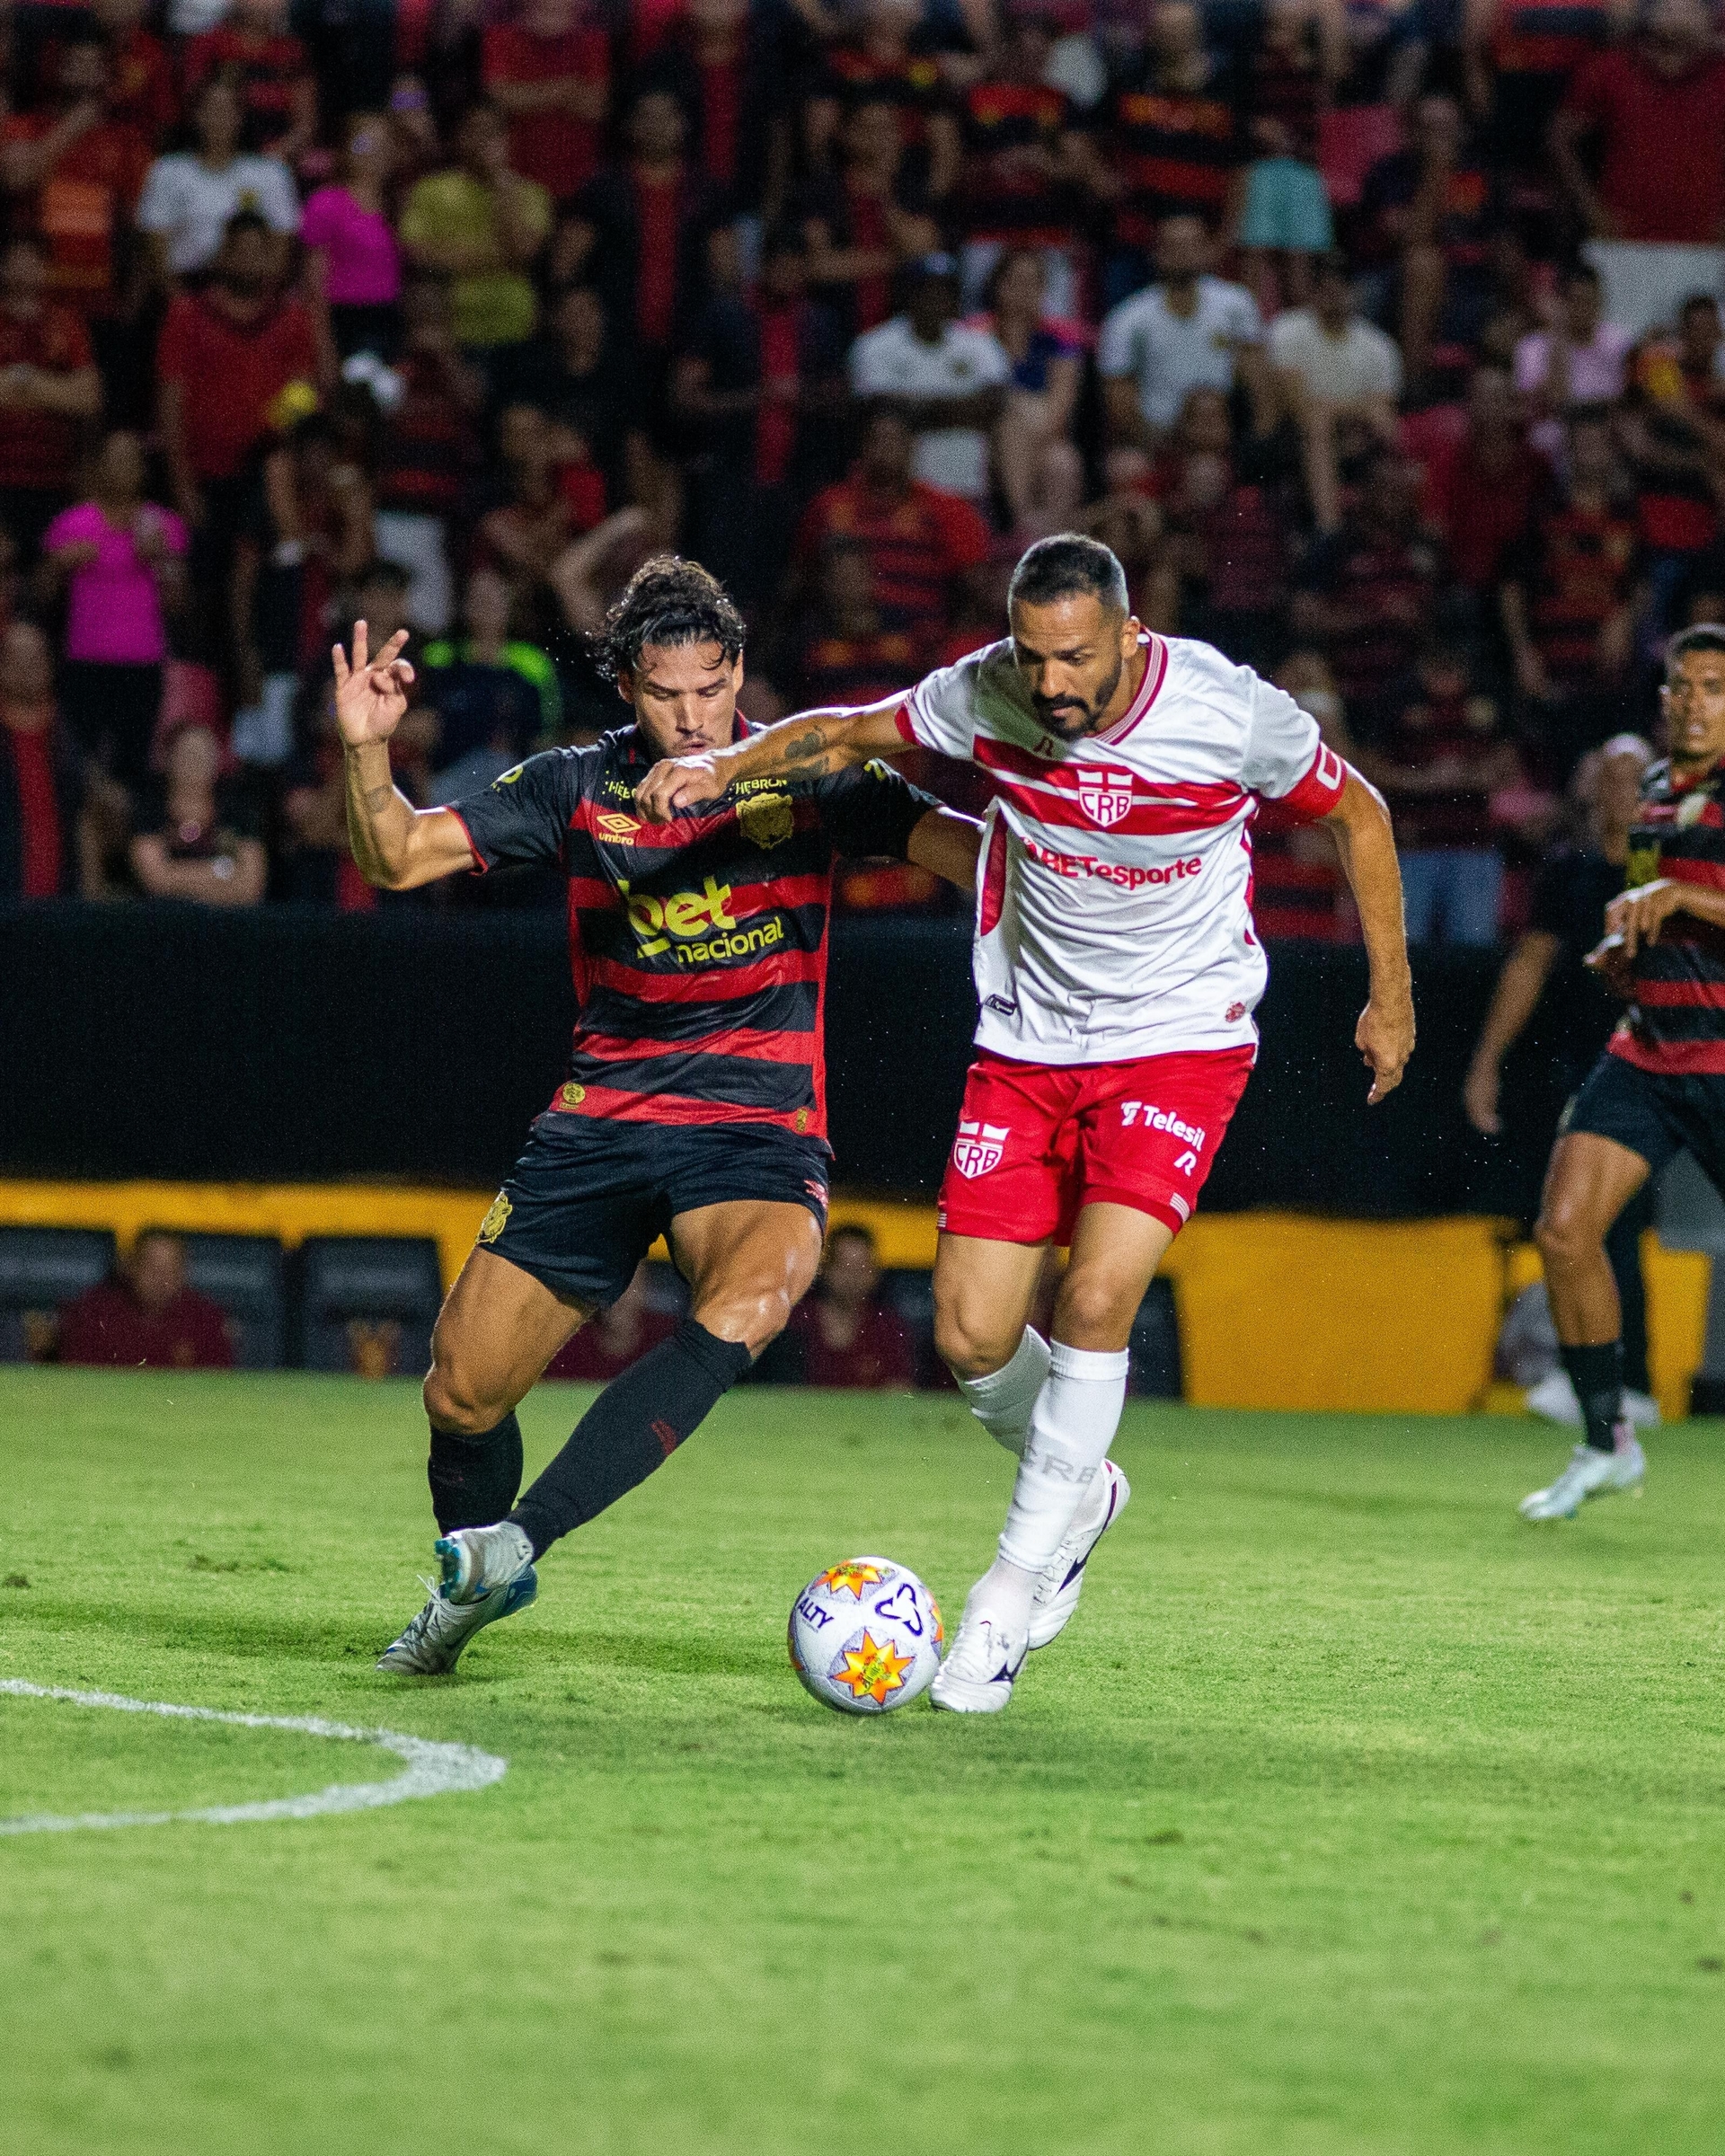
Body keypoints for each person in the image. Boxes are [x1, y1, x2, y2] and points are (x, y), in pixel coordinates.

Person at [634, 531, 1414, 1712]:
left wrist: (1391, 995)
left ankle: (1006, 1594)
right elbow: (842, 733)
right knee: (969, 1337)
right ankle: (1081, 1493)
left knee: (1096, 1298)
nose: (1052, 683)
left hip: (1181, 1035)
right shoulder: (985, 692)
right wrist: (721, 771)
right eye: (1034, 656)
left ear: (1128, 636)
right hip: (1027, 1044)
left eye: (1076, 659)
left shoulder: (1224, 712)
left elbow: (1359, 815)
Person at [334, 556, 984, 1674]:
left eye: (711, 689)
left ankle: (513, 1547)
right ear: (626, 690)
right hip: (603, 1117)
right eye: (665, 694)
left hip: (758, 1127)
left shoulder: (808, 775)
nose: (692, 717)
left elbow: (973, 857)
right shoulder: (576, 787)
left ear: (739, 675)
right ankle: (462, 1585)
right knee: (461, 1387)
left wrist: (1086, 855)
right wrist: (363, 746)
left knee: (759, 1293)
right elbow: (396, 854)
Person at [1520, 625, 1725, 1520]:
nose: (1691, 702)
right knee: (1564, 1232)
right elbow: (1642, 913)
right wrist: (1620, 954)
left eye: (1712, 687)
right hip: (1645, 1047)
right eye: (1680, 687)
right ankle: (1606, 1442)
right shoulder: (1651, 792)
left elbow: (1673, 898)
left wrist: (1679, 898)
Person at [1464, 735, 1660, 1428]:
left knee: (1607, 1222)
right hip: (1586, 1066)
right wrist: (1487, 1061)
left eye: (1632, 777)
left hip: (1667, 1062)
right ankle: (1611, 1381)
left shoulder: (1667, 868)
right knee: (1587, 1221)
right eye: (1605, 776)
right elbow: (1529, 966)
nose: (1617, 789)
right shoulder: (1569, 870)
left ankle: (1628, 1381)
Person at [41, 430, 185, 794]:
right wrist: (59, 566)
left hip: (142, 666)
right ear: (100, 465)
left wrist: (162, 560)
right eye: (115, 458)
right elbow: (40, 596)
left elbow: (180, 603)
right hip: (84, 665)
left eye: (131, 459)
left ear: (142, 468)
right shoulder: (72, 524)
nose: (123, 467)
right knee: (78, 768)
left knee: (136, 770)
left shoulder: (163, 526)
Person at [849, 252, 1013, 507]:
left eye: (945, 291)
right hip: (899, 496)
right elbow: (879, 410)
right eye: (927, 290)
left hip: (968, 491)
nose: (936, 299)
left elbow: (994, 405)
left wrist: (916, 407)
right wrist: (959, 408)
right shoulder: (874, 345)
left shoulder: (979, 344)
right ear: (909, 294)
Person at [1099, 214, 1269, 452]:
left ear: (1207, 249)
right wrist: (1150, 442)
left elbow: (1257, 378)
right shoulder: (1128, 318)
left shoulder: (1236, 304)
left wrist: (1257, 442)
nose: (1182, 254)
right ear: (1156, 254)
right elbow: (1118, 392)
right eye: (1173, 246)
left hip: (1222, 432)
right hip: (1157, 434)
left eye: (1191, 245)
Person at [397, 102, 552, 356]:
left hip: (515, 325)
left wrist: (503, 189)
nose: (484, 141)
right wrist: (496, 258)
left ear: (506, 139)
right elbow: (418, 254)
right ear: (460, 137)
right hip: (452, 330)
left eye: (493, 133)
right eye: (475, 131)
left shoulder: (531, 193)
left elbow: (524, 251)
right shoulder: (429, 190)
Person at [135, 75, 299, 287]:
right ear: (197, 115)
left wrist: (256, 308)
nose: (219, 118)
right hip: (187, 288)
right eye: (211, 109)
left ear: (240, 117)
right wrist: (182, 306)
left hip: (252, 290)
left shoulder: (270, 172)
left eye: (227, 110)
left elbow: (280, 247)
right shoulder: (168, 171)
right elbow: (156, 249)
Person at [128, 718, 268, 906]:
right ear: (169, 758)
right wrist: (224, 872)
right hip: (163, 918)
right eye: (188, 754)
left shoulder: (236, 807)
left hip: (228, 921)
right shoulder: (151, 807)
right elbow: (156, 880)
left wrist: (177, 875)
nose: (196, 762)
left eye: (204, 753)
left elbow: (250, 886)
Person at [59, 1229, 234, 1369]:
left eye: (171, 1270)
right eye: (151, 1268)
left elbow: (217, 1385)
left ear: (184, 1273)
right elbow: (78, 1377)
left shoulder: (205, 1318)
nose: (161, 1279)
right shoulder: (94, 1312)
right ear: (132, 1267)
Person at [773, 1223, 916, 1387]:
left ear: (876, 1273)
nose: (853, 1278)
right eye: (844, 1267)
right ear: (824, 1269)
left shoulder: (888, 1327)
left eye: (862, 1268)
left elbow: (899, 1390)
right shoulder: (795, 1320)